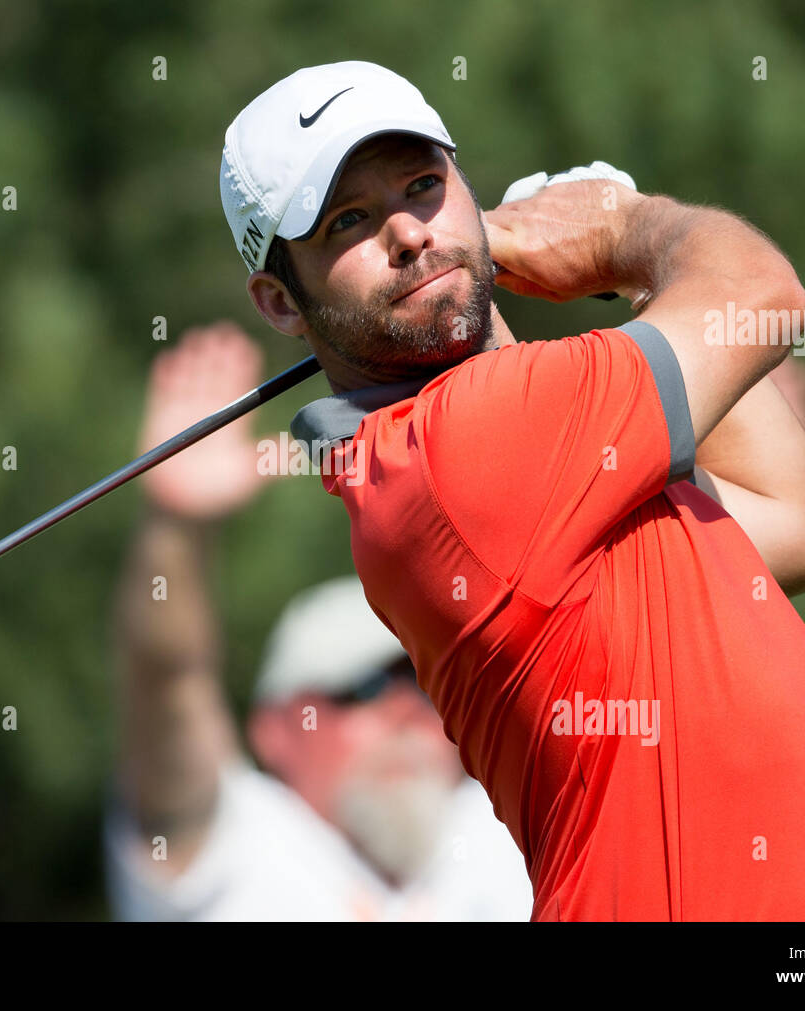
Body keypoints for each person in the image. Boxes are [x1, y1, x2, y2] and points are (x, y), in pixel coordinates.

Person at [217, 61, 805, 921]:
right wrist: (624, 227)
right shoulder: (459, 443)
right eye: (348, 222)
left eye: (424, 186)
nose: (408, 232)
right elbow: (763, 295)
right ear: (280, 302)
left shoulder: (556, 464)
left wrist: (622, 276)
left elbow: (795, 520)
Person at [103, 323, 533, 920]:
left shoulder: (512, 834)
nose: (406, 712)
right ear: (275, 729)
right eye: (361, 691)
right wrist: (175, 528)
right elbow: (167, 680)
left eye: (426, 686)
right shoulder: (233, 842)